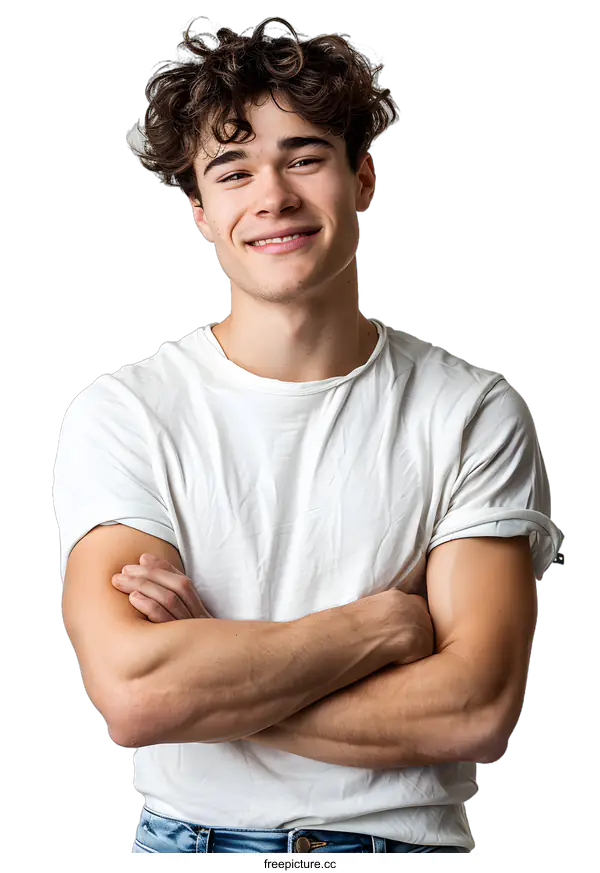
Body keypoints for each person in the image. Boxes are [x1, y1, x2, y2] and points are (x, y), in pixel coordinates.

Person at [53, 15, 564, 854]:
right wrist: (380, 632)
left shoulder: (472, 413)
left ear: (364, 179)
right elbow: (138, 694)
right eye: (232, 169)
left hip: (401, 849)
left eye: (304, 157)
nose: (273, 197)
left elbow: (474, 706)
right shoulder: (125, 415)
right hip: (189, 845)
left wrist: (215, 680)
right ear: (200, 213)